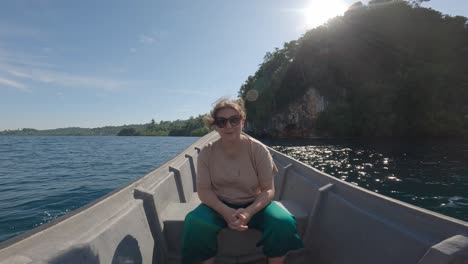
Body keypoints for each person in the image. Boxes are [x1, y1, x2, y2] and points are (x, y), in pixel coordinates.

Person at [181, 98, 303, 264]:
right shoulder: (207, 153)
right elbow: (204, 191)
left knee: (283, 222)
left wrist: (249, 212)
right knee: (194, 222)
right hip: (219, 204)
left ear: (242, 122)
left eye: (234, 120)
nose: (229, 126)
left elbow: (268, 190)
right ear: (215, 126)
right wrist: (225, 211)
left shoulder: (258, 150)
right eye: (221, 122)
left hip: (255, 203)